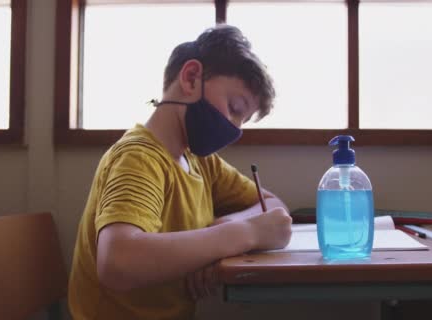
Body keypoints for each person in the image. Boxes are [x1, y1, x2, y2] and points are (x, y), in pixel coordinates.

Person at [68, 24, 292, 319]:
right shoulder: (139, 158)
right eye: (235, 107)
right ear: (190, 77)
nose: (235, 128)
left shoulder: (200, 162)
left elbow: (271, 205)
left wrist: (217, 235)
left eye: (244, 120)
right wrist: (242, 233)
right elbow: (117, 262)